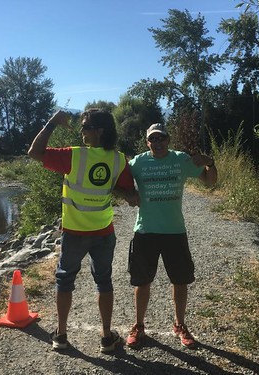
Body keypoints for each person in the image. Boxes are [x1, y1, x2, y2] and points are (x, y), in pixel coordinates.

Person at [28, 109, 135, 353]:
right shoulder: (118, 159)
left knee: (65, 280)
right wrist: (132, 196)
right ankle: (107, 338)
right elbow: (126, 192)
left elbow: (34, 152)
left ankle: (61, 335)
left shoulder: (74, 157)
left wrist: (52, 122)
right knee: (104, 281)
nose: (81, 131)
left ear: (99, 131)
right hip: (103, 232)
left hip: (75, 233)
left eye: (85, 126)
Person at [125, 122, 218, 349]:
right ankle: (139, 326)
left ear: (168, 139)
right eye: (153, 139)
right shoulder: (138, 162)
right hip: (145, 231)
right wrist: (129, 193)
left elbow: (210, 181)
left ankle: (180, 325)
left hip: (175, 231)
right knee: (142, 281)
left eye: (161, 138)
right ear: (147, 142)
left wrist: (210, 163)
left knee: (180, 281)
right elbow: (119, 180)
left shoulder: (181, 160)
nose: (157, 143)